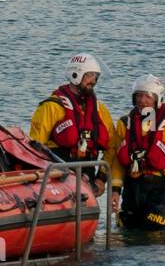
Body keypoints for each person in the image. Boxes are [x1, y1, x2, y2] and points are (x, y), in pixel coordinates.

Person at [108, 74, 165, 230]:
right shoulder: (125, 124)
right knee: (125, 227)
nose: (142, 100)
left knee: (155, 231)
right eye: (139, 95)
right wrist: (115, 191)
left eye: (147, 96)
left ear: (157, 99)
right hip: (133, 185)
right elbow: (118, 161)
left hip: (162, 186)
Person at [28, 53, 114, 196]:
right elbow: (35, 149)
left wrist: (101, 178)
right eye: (90, 75)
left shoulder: (100, 110)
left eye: (96, 76)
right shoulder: (51, 107)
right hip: (57, 181)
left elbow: (112, 147)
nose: (93, 80)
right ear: (76, 75)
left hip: (88, 181)